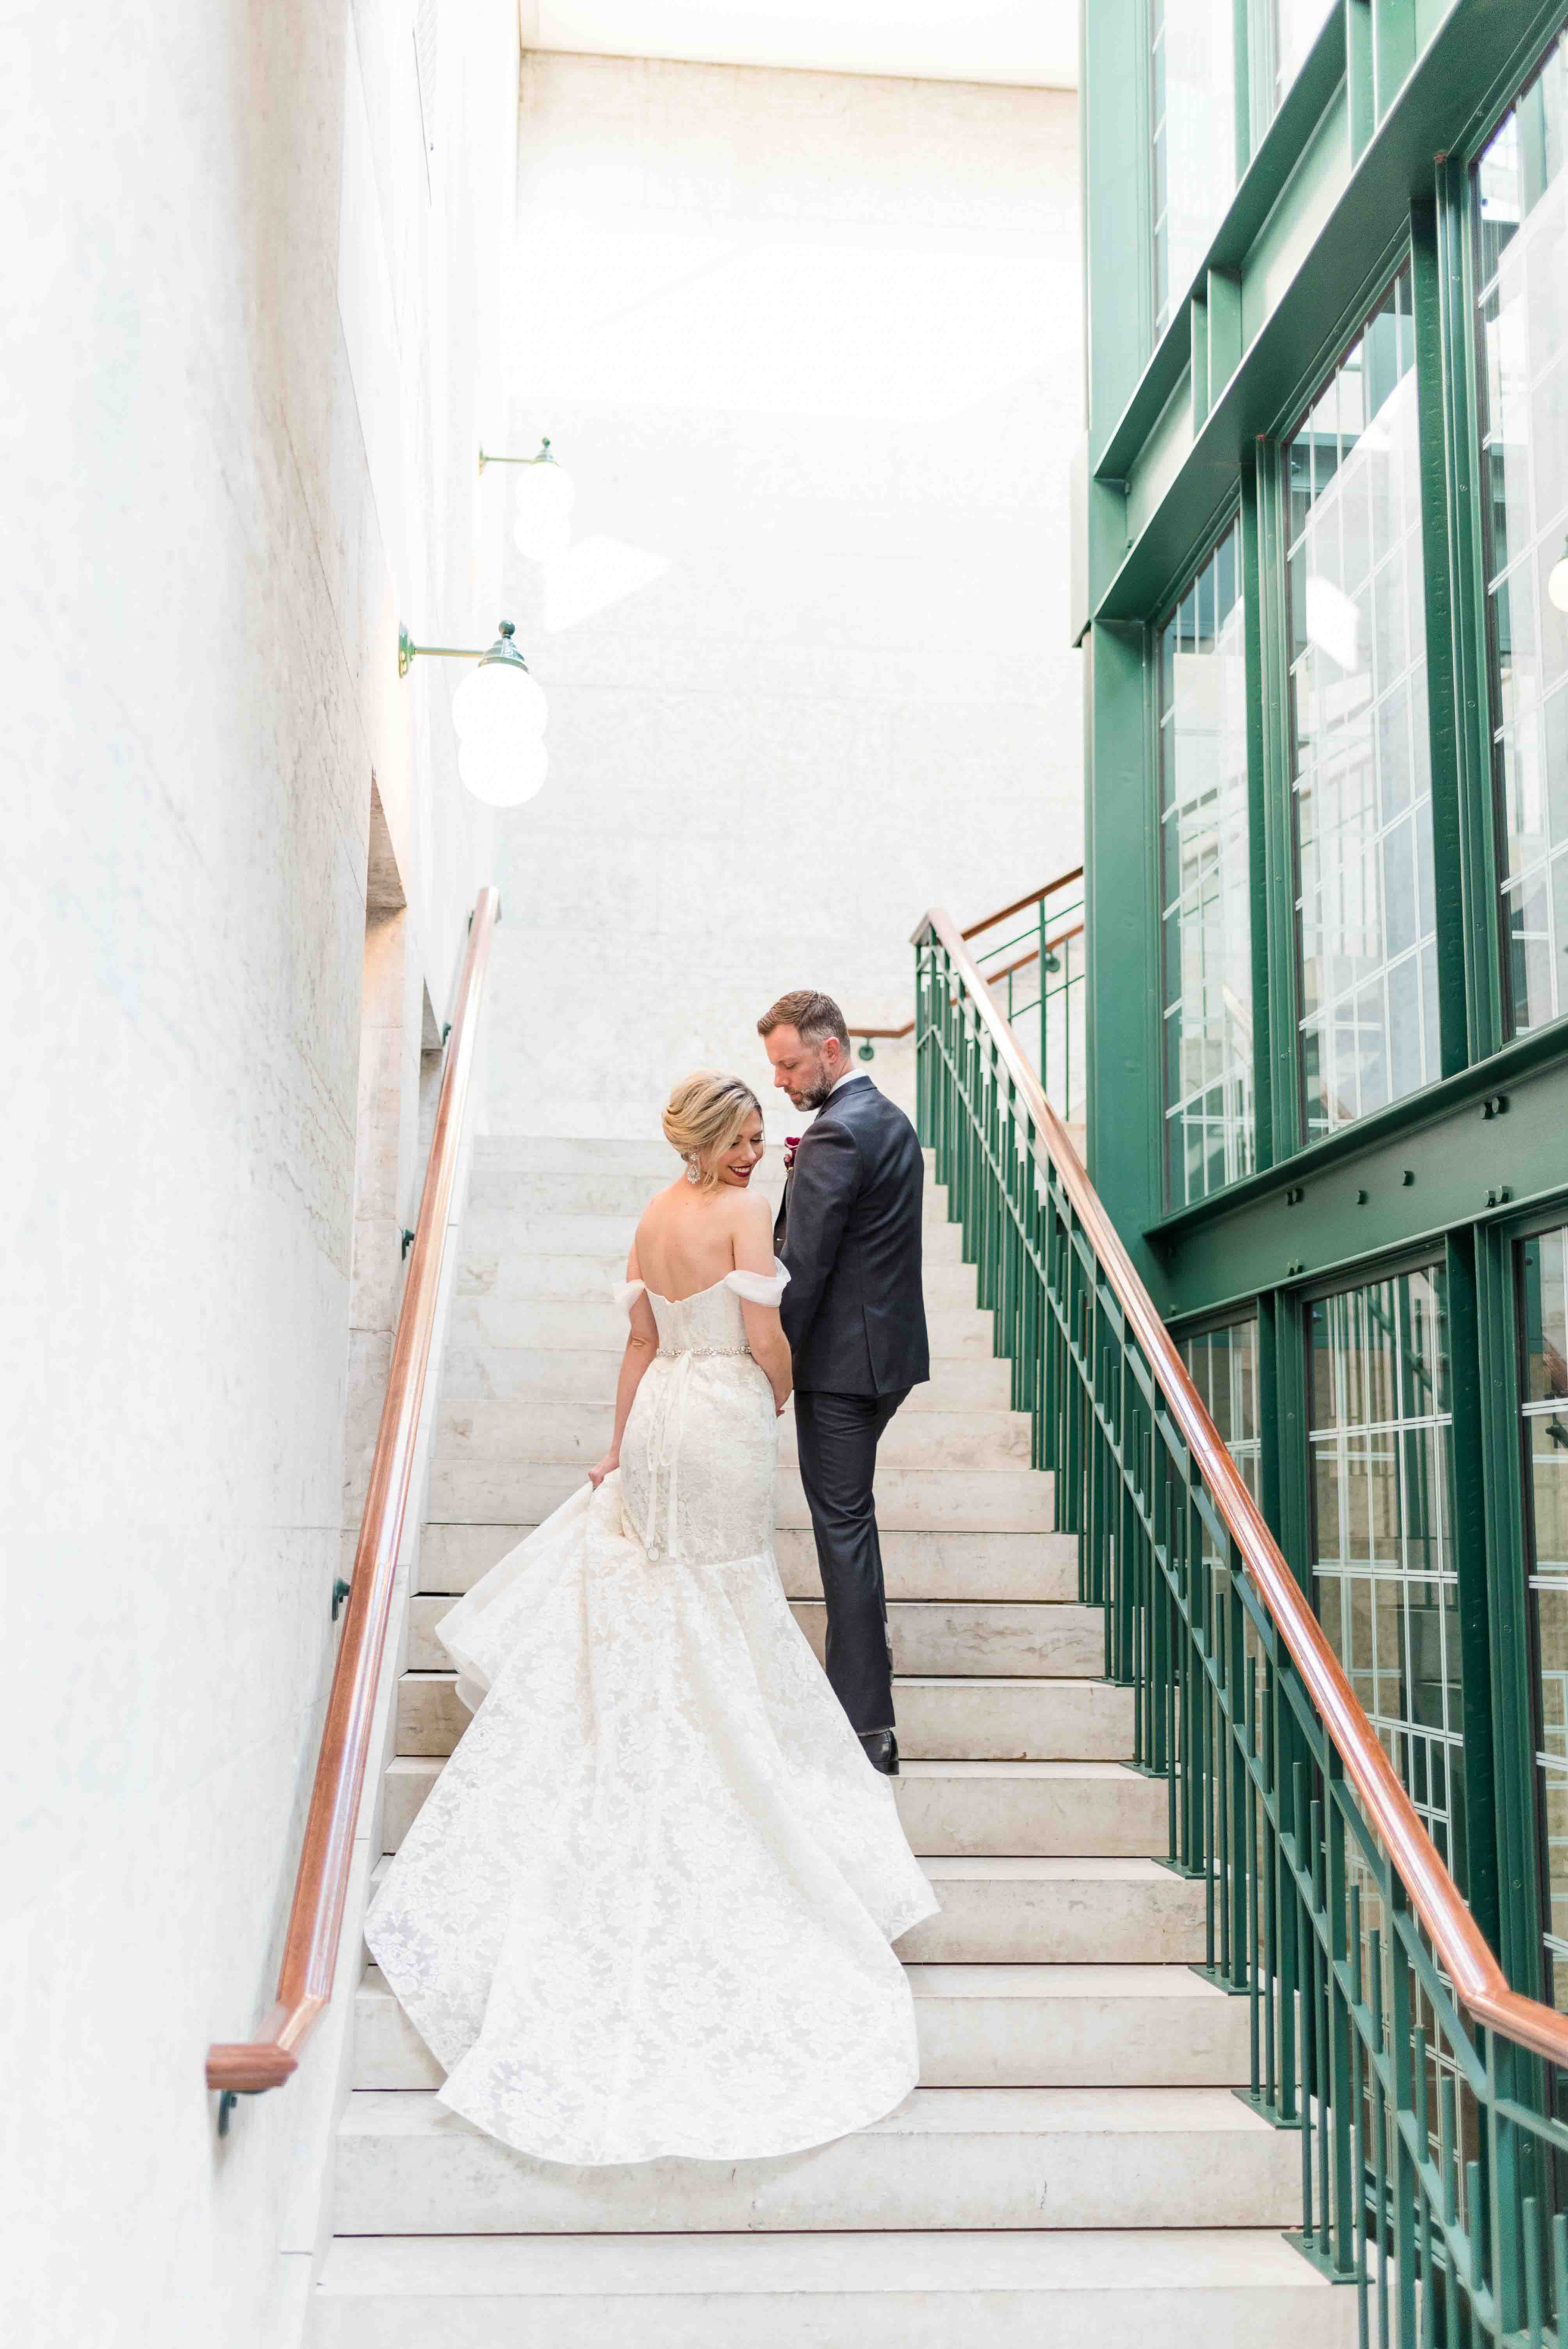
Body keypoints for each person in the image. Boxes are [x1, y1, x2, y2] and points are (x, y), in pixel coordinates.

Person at [364, 1070, 935, 2167]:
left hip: (662, 1412)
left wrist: (619, 1447)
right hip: (718, 1409)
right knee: (725, 1585)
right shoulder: (740, 1216)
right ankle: (728, 1740)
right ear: (717, 1142)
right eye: (749, 1138)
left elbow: (633, 1344)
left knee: (676, 1581)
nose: (761, 1153)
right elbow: (769, 1341)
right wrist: (772, 1391)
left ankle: (667, 1713)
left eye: (766, 1138)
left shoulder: (652, 1215)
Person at [758, 991, 930, 1777]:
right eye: (775, 1067)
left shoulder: (835, 1132)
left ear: (830, 1051)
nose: (782, 1081)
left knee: (843, 1528)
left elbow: (805, 1266)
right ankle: (863, 1710)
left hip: (837, 1367)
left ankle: (866, 1724)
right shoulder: (890, 1119)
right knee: (847, 1521)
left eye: (790, 1064)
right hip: (884, 1360)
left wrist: (769, 1360)